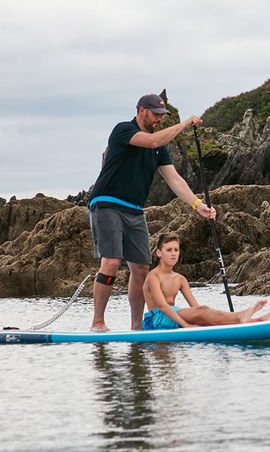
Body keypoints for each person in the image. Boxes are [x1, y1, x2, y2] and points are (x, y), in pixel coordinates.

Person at [88, 93, 216, 332]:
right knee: (112, 261)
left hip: (135, 210)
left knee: (142, 268)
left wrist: (198, 205)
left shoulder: (159, 150)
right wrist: (185, 123)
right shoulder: (123, 130)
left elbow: (174, 179)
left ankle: (137, 326)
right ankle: (98, 322)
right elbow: (154, 141)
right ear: (141, 111)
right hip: (107, 203)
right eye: (156, 114)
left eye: (162, 115)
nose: (159, 119)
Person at [143, 233, 270, 329]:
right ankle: (240, 316)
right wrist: (186, 325)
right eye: (169, 250)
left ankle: (261, 320)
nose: (173, 253)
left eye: (176, 250)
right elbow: (162, 306)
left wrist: (203, 319)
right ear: (159, 252)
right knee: (204, 312)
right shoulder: (153, 276)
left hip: (175, 317)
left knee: (207, 315)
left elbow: (196, 308)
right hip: (158, 320)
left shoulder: (180, 279)